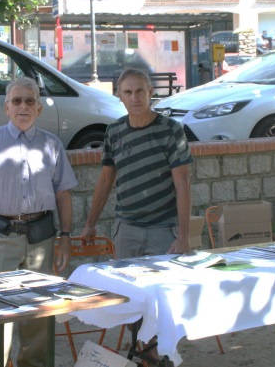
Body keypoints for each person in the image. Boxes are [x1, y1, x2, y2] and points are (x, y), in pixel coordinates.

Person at [0, 77, 78, 367]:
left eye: (29, 100)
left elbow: (63, 194)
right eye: (17, 101)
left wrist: (65, 237)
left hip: (42, 237)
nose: (23, 106)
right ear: (6, 107)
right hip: (0, 235)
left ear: (39, 108)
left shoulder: (52, 144)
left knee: (39, 312)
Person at [81, 67, 192, 365]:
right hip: (127, 227)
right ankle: (144, 353)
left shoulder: (171, 130)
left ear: (150, 93)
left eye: (140, 91)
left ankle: (156, 354)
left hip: (162, 228)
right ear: (119, 96)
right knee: (132, 296)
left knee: (161, 298)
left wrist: (184, 235)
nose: (135, 97)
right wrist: (90, 224)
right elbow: (105, 180)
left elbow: (182, 182)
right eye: (128, 92)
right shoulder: (114, 131)